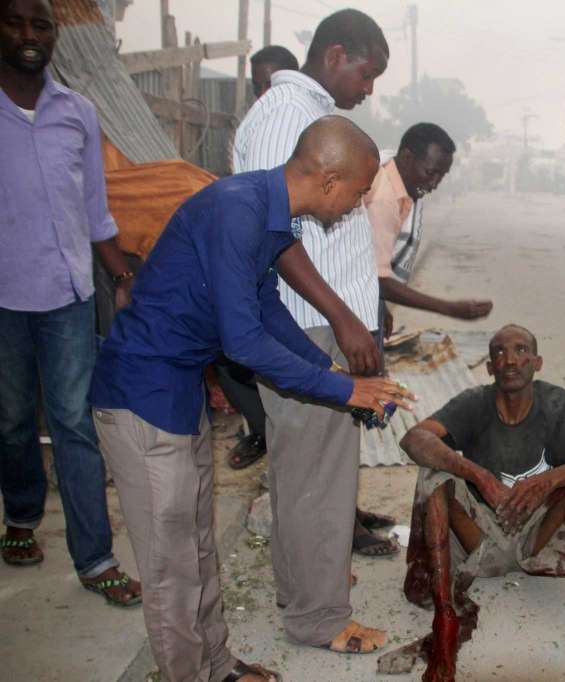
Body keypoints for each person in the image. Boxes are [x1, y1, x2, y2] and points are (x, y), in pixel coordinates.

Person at [90, 116, 413, 682]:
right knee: (171, 568)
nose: (358, 205)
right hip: (140, 398)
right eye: (360, 193)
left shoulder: (266, 216)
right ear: (331, 180)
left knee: (197, 547)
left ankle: (216, 666)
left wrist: (334, 375)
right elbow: (242, 341)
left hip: (176, 394)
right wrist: (344, 386)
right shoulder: (237, 210)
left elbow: (269, 313)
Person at [231, 6, 400, 648]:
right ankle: (316, 618)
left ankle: (309, 589)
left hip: (321, 325)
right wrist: (343, 320)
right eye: (367, 71)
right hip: (306, 327)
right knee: (313, 479)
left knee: (316, 475)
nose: (369, 88)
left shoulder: (307, 117)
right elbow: (278, 236)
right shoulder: (285, 119)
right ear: (334, 56)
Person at [389, 325, 565, 682]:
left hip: (541, 542)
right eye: (499, 352)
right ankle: (445, 622)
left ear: (537, 362)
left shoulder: (556, 404)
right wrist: (478, 475)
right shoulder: (474, 402)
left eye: (520, 350)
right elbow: (415, 437)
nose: (510, 359)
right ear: (489, 367)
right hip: (481, 543)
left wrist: (551, 479)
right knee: (432, 475)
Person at [0, 0, 141, 607]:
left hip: (68, 297)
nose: (30, 36)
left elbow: (95, 212)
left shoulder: (77, 112)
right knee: (9, 422)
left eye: (42, 25)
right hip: (4, 299)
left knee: (75, 424)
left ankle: (97, 558)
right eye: (16, 22)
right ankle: (23, 519)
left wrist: (121, 277)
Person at [211, 43, 303, 471]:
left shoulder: (295, 127)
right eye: (258, 84)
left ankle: (270, 435)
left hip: (287, 280)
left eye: (272, 81)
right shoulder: (250, 130)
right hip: (256, 267)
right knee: (234, 356)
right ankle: (261, 430)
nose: (265, 92)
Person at [368, 122, 492, 322]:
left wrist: (380, 306)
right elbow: (378, 280)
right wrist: (450, 308)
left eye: (441, 176)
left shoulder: (402, 195)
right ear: (407, 157)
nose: (434, 184)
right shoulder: (384, 198)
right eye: (430, 172)